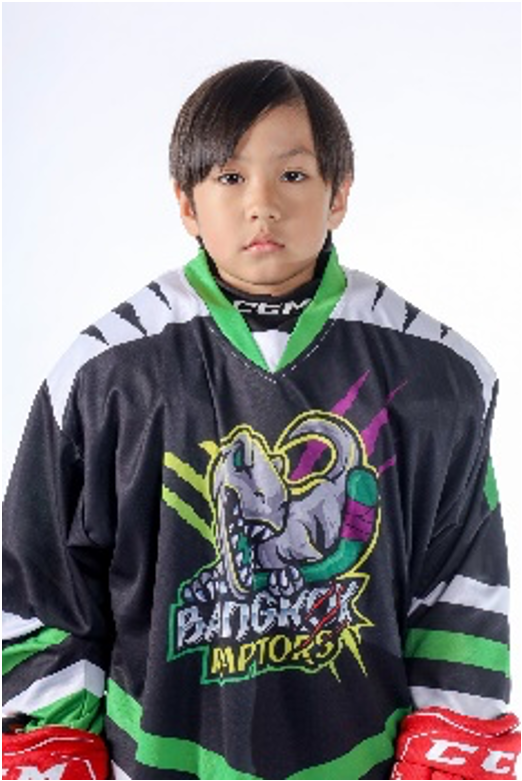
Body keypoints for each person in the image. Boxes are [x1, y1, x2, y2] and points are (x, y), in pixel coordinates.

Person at [2, 59, 520, 781]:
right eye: (230, 176)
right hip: (154, 763)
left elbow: (459, 581)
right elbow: (40, 579)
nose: (262, 204)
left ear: (340, 193)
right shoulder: (105, 373)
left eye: (293, 174)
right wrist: (53, 731)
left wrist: (454, 734)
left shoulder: (437, 376)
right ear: (186, 202)